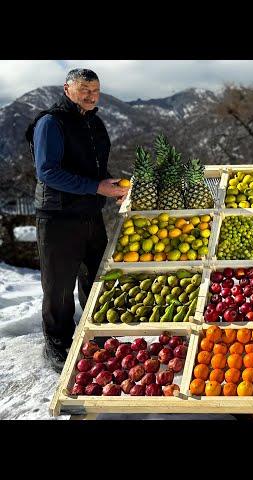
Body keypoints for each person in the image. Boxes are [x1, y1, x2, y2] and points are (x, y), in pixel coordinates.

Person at [25, 69, 129, 373]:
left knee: (95, 277)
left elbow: (94, 168)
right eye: (84, 89)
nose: (91, 96)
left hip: (89, 213)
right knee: (58, 286)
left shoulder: (93, 121)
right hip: (57, 216)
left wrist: (111, 186)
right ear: (67, 89)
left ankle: (98, 335)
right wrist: (97, 187)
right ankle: (56, 344)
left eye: (95, 90)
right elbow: (48, 172)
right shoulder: (51, 122)